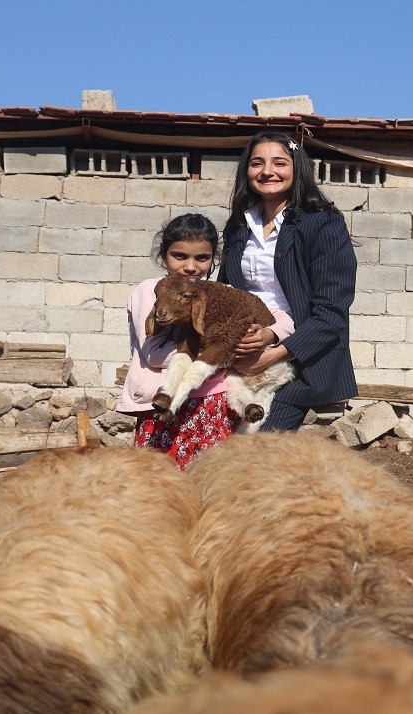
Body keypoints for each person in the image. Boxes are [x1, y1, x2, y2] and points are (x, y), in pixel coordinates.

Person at [117, 212, 293, 468]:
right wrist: (221, 356)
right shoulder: (151, 290)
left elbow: (283, 319)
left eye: (202, 258)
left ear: (213, 260)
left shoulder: (219, 292)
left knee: (210, 476)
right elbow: (154, 354)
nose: (191, 267)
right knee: (160, 478)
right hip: (165, 406)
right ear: (163, 255)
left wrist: (268, 334)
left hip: (214, 403)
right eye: (180, 256)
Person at [219, 131, 358, 431]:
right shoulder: (238, 225)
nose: (267, 171)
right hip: (241, 354)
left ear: (297, 169)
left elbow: (332, 312)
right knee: (218, 443)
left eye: (279, 163)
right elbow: (225, 292)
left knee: (260, 444)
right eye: (257, 163)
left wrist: (271, 353)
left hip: (299, 360)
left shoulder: (322, 223)